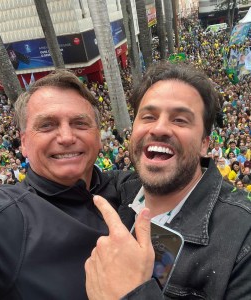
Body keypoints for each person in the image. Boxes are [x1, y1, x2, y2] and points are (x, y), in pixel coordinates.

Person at [0, 70, 132, 299]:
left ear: (98, 135)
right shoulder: (5, 217)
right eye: (47, 125)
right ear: (24, 143)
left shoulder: (128, 187)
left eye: (79, 123)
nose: (66, 137)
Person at [85, 62, 251, 299]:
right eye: (148, 116)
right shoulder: (116, 190)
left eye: (180, 120)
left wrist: (132, 295)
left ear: (205, 143)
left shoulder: (243, 238)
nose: (160, 128)